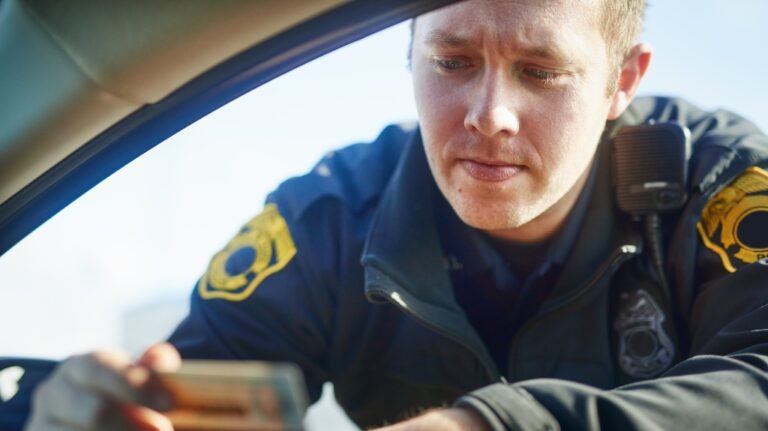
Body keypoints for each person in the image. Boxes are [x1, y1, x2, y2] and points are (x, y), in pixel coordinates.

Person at [25, 0, 768, 429]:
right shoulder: (331, 219)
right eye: (452, 60)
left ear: (622, 81)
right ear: (408, 49)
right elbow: (193, 391)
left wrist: (483, 426)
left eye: (540, 72)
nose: (491, 115)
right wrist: (93, 410)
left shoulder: (720, 183)